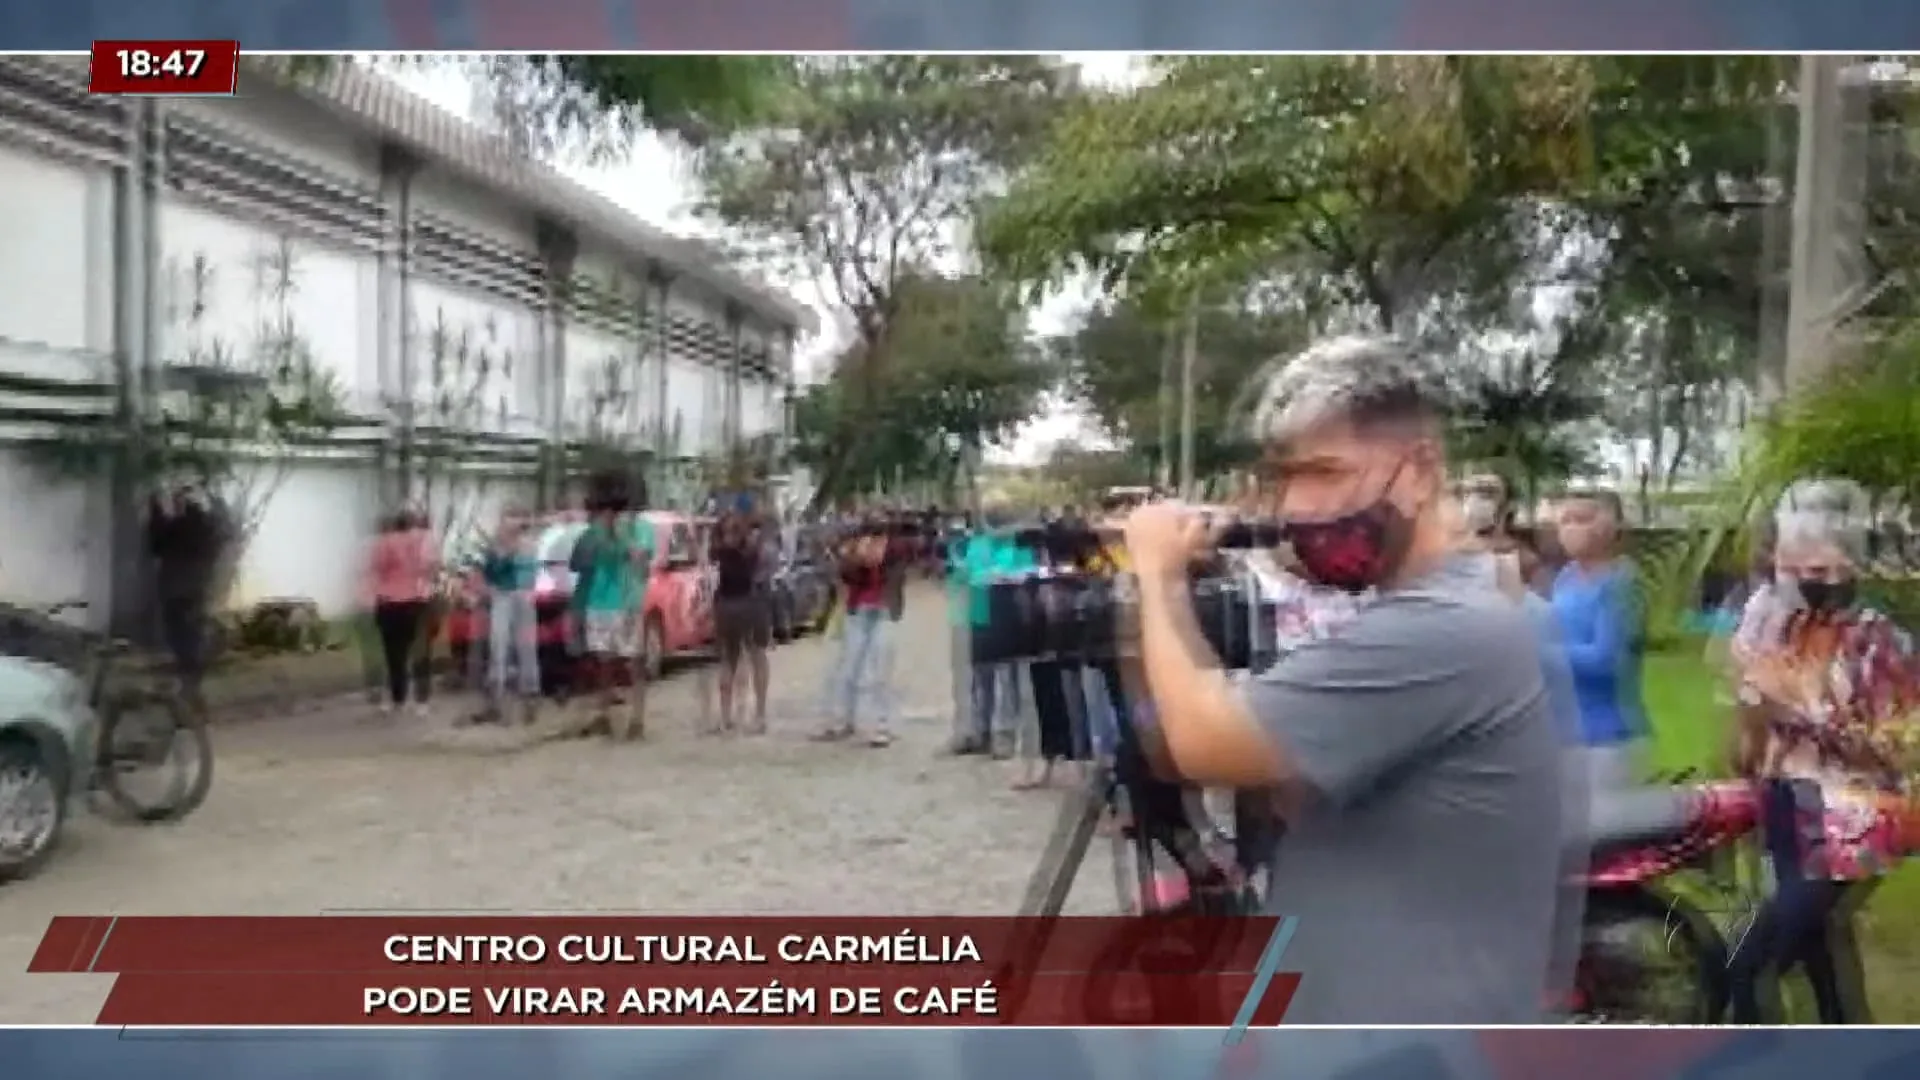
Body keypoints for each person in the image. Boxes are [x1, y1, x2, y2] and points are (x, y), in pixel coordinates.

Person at [1122, 335, 1564, 1023]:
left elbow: (1204, 742)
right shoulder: (1463, 603)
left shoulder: (1446, 626)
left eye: (1326, 473)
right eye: (1289, 478)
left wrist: (1154, 574)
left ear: (1419, 473)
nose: (1298, 506)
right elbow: (1285, 785)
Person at [1725, 478, 1917, 1024]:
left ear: (1851, 565)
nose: (1811, 581)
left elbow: (1896, 747)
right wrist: (1751, 721)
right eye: (1798, 570)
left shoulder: (1880, 639)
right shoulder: (1780, 625)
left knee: (1750, 963)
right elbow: (1751, 719)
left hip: (1857, 812)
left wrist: (1802, 712)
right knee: (1819, 953)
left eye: (1823, 571)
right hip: (1789, 800)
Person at [1548, 489, 1648, 788]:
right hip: (1564, 731)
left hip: (1608, 736)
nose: (1572, 528)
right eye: (1565, 520)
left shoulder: (1622, 583)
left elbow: (1607, 659)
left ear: (1614, 525)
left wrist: (1544, 653)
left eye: (1583, 519)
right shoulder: (1565, 577)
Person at [574, 486, 647, 739]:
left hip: (624, 603)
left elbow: (639, 563)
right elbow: (580, 561)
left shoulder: (632, 530)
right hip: (599, 603)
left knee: (632, 661)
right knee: (603, 660)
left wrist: (632, 603)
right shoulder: (594, 534)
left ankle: (637, 719)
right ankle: (604, 715)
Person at [146, 483, 228, 710]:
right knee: (191, 637)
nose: (176, 505)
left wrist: (155, 509)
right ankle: (192, 690)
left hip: (175, 589)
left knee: (179, 637)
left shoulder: (179, 526)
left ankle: (188, 693)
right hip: (196, 589)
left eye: (178, 501)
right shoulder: (207, 527)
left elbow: (156, 543)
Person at [817, 518, 897, 747]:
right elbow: (845, 576)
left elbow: (885, 566)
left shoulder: (892, 551)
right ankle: (844, 719)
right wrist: (851, 556)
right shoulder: (854, 550)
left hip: (882, 610)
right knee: (849, 668)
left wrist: (867, 554)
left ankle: (881, 724)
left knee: (879, 668)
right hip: (858, 610)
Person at [363, 506, 439, 717]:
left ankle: (398, 699)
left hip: (389, 601)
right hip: (419, 600)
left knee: (394, 653)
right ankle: (422, 701)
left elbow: (376, 568)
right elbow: (431, 567)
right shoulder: (426, 540)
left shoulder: (383, 542)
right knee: (421, 653)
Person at [708, 512, 770, 735]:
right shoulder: (751, 551)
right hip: (750, 604)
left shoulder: (718, 552)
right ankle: (759, 715)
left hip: (726, 605)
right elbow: (762, 567)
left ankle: (726, 717)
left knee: (728, 661)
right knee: (757, 658)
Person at [479, 504, 541, 723]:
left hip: (522, 595)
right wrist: (501, 552)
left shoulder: (529, 544)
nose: (513, 523)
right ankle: (497, 696)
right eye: (510, 517)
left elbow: (529, 571)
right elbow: (490, 572)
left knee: (526, 646)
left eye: (517, 517)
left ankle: (529, 695)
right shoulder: (496, 544)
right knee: (499, 645)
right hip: (503, 596)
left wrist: (509, 551)